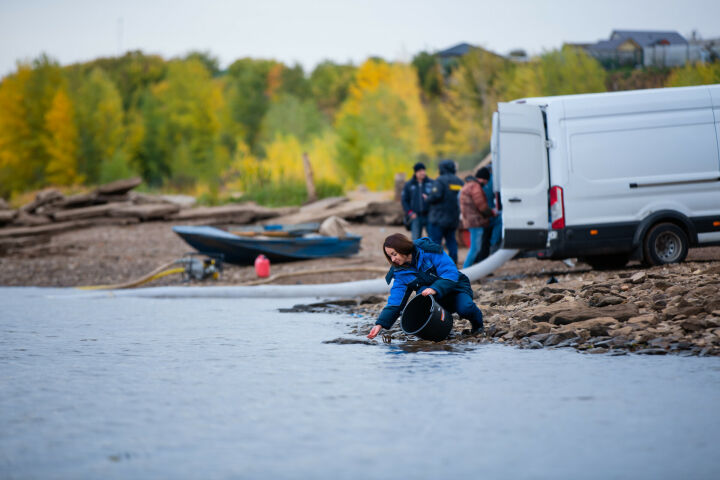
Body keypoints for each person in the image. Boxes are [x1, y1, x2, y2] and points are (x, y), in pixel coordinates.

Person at [367, 233, 485, 339]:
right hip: (434, 299)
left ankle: (478, 326)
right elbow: (395, 302)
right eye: (390, 256)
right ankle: (442, 328)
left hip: (456, 288)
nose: (393, 259)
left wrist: (435, 288)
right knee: (421, 294)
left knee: (466, 308)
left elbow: (450, 273)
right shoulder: (399, 272)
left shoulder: (429, 250)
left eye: (394, 254)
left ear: (402, 248)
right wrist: (380, 324)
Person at [426, 159, 464, 264]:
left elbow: (435, 196)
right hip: (453, 218)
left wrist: (427, 198)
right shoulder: (459, 182)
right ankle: (453, 261)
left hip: (439, 218)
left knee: (435, 243)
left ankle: (437, 264)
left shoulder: (440, 181)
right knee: (451, 241)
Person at [460, 166, 496, 268]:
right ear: (484, 179)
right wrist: (492, 213)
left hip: (470, 221)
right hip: (476, 222)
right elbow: (482, 206)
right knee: (475, 249)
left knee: (474, 248)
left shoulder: (468, 185)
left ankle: (468, 271)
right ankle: (466, 272)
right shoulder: (475, 187)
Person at [401, 162, 434, 241]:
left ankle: (431, 253)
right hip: (415, 216)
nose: (422, 172)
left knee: (433, 240)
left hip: (429, 216)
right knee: (416, 240)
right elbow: (404, 200)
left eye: (423, 170)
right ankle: (417, 253)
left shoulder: (432, 183)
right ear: (415, 172)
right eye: (420, 171)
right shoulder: (408, 185)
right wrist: (410, 212)